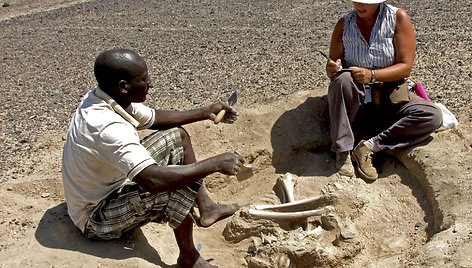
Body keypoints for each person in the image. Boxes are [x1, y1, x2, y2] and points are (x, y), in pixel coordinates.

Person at [62, 48, 245, 267]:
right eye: (144, 79)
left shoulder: (107, 97)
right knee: (173, 185)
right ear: (123, 86)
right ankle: (189, 257)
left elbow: (155, 118)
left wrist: (206, 112)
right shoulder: (107, 127)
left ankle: (207, 207)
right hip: (96, 216)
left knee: (178, 136)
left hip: (109, 184)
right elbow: (153, 181)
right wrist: (214, 163)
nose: (151, 83)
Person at [325, 0, 442, 181]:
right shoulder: (344, 24)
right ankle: (342, 151)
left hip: (390, 95)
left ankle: (370, 147)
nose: (359, 5)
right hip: (357, 99)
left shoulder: (397, 18)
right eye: (357, 1)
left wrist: (372, 75)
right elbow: (332, 65)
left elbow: (405, 67)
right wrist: (333, 69)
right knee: (342, 80)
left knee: (431, 116)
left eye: (366, 2)